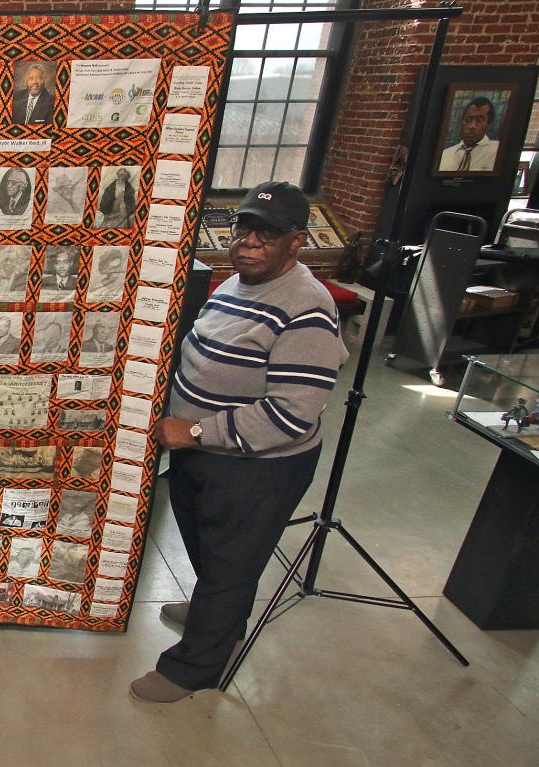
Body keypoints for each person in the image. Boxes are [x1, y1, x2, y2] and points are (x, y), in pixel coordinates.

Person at [130, 181, 348, 704]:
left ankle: (196, 666)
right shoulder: (237, 283)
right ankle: (216, 610)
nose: (249, 241)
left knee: (232, 559)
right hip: (199, 453)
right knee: (211, 549)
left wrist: (196, 429)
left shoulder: (307, 309)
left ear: (297, 241)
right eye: (243, 227)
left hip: (257, 468)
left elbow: (292, 416)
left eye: (267, 233)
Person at [439, 96, 499, 173]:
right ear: (462, 122)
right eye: (468, 120)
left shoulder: (497, 151)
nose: (472, 126)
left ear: (489, 125)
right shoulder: (445, 155)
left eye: (479, 120)